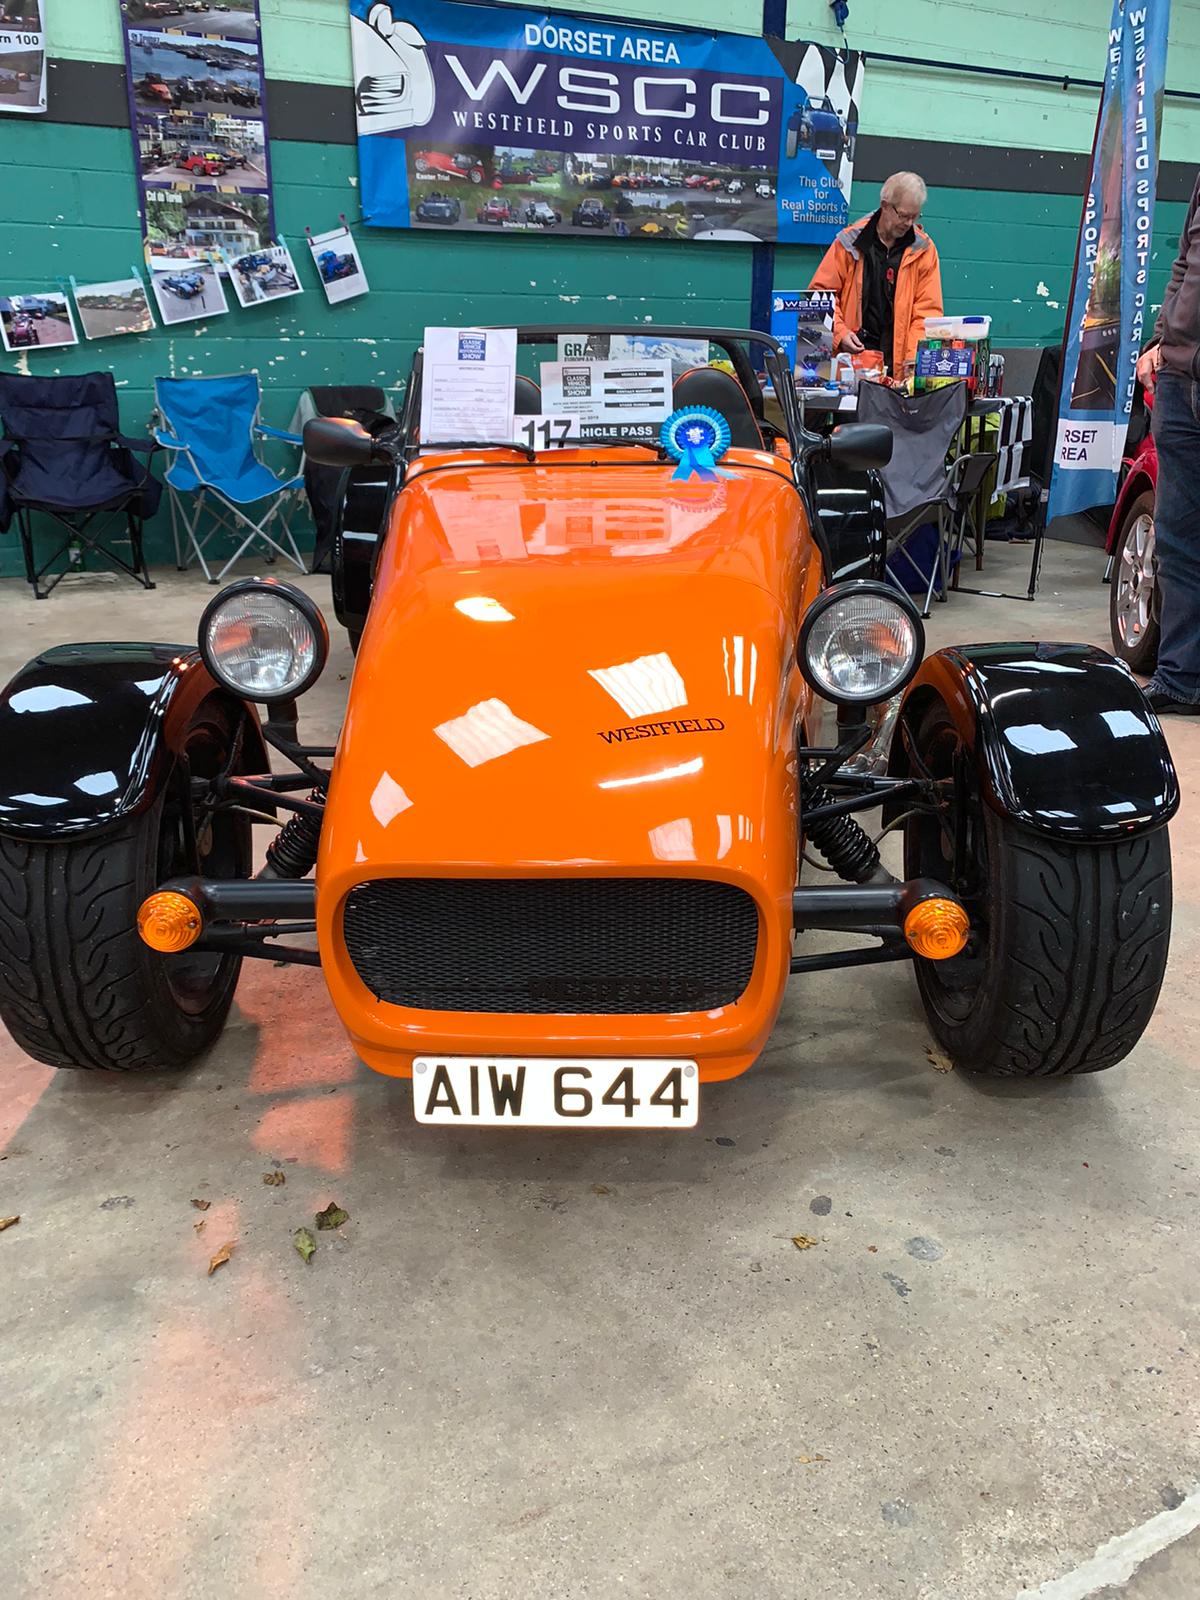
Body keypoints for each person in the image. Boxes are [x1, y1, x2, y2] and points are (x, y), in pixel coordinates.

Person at [1135, 173, 1200, 714]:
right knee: (1177, 535)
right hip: (1180, 378)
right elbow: (1183, 266)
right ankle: (1180, 677)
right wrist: (1159, 338)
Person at [808, 172, 943, 376]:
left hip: (901, 370)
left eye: (915, 217)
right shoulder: (848, 242)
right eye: (904, 215)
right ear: (885, 206)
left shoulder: (924, 250)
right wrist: (840, 333)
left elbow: (927, 312)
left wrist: (914, 358)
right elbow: (819, 296)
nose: (908, 223)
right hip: (852, 367)